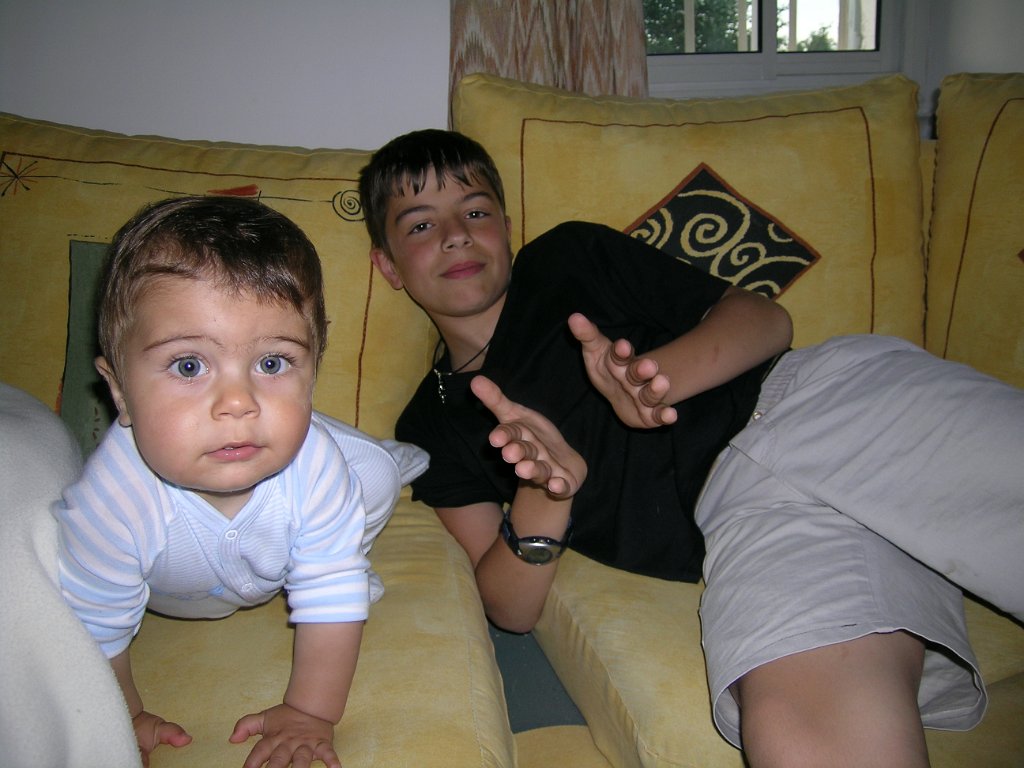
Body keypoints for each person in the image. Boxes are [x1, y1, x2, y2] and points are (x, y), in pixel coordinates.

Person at [358, 129, 1024, 767]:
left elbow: (765, 319)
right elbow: (509, 606)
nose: (456, 234)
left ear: (506, 226)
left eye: (475, 211)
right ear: (386, 265)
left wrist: (660, 380)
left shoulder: (566, 258)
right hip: (750, 524)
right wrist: (544, 496)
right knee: (802, 737)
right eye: (420, 225)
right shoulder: (431, 424)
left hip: (814, 403)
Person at [54, 196, 425, 768]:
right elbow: (94, 627)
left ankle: (355, 506)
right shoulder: (110, 503)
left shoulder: (318, 469)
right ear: (119, 390)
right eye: (189, 366)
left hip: (309, 486)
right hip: (181, 583)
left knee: (372, 475)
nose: (237, 402)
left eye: (272, 363)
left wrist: (310, 712)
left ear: (313, 368)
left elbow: (331, 595)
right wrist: (122, 715)